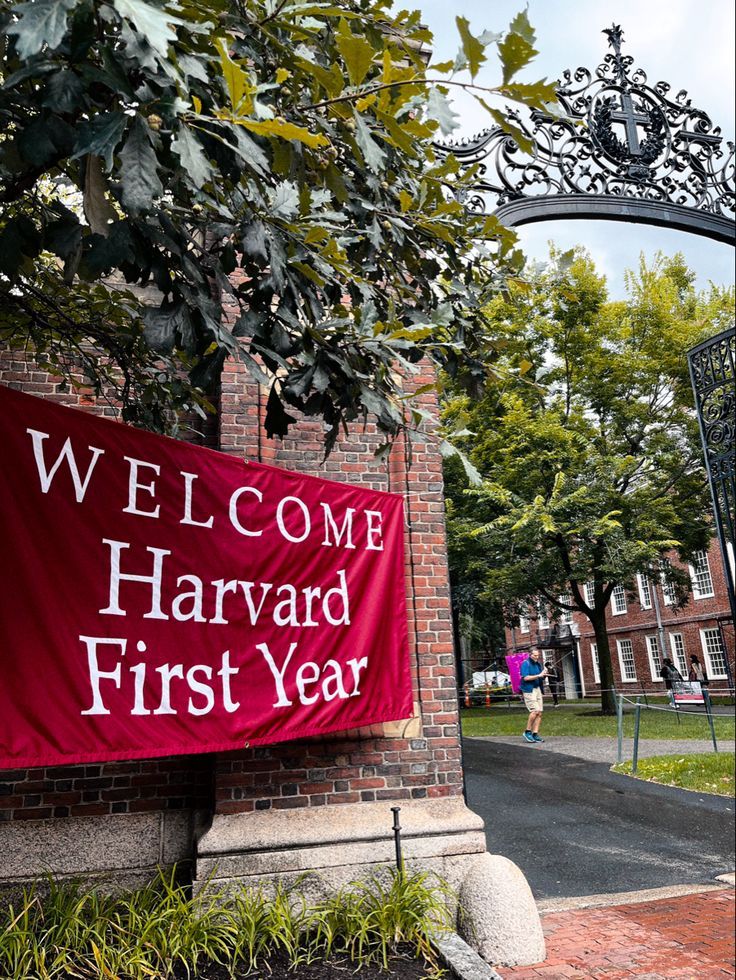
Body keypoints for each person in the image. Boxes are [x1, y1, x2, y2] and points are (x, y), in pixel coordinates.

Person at [520, 650, 548, 743]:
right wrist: (539, 675)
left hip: (537, 689)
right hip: (529, 690)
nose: (537, 657)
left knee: (539, 712)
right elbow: (526, 677)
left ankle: (535, 734)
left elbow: (540, 677)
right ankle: (527, 732)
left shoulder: (538, 664)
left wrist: (544, 674)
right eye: (535, 655)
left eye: (538, 655)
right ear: (530, 655)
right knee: (534, 711)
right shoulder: (525, 663)